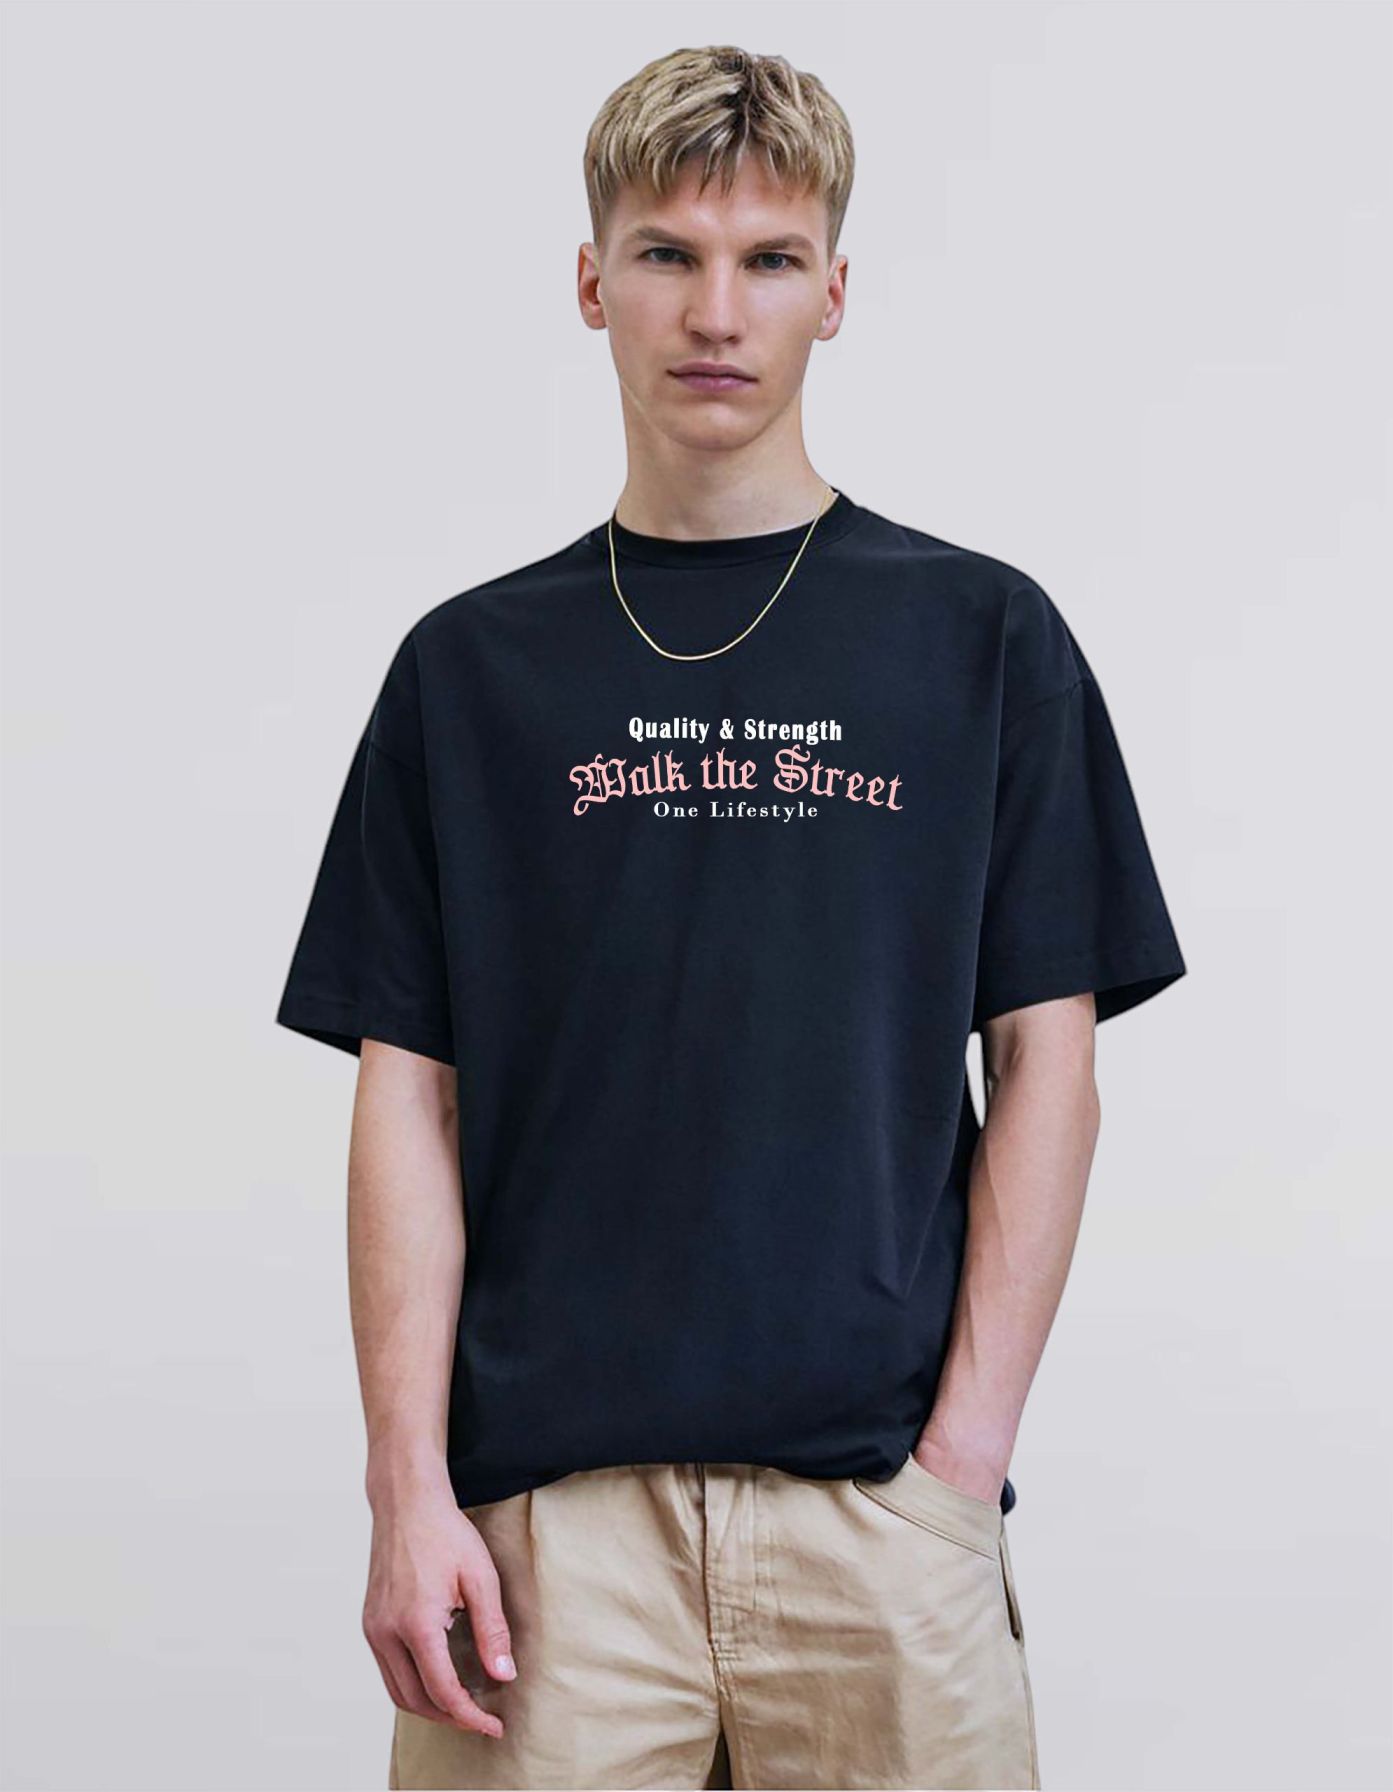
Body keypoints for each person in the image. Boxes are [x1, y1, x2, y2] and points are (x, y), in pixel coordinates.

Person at [275, 43, 1186, 1792]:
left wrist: (957, 1470)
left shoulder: (980, 640)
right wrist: (407, 1493)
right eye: (667, 254)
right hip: (545, 1537)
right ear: (589, 280)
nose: (715, 311)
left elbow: (1047, 1068)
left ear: (834, 291)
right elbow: (408, 1097)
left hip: (877, 1519)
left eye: (768, 259)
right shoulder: (469, 672)